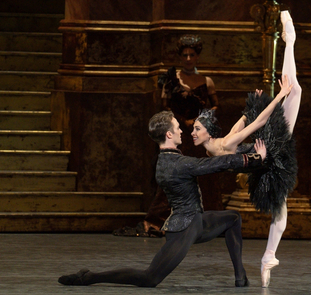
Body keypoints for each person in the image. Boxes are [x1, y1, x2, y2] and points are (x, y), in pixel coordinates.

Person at [58, 111, 267, 287]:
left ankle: (241, 278)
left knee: (233, 218)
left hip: (195, 222)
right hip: (185, 227)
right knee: (150, 278)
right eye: (177, 128)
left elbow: (216, 161)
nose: (182, 131)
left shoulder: (167, 160)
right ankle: (90, 277)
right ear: (169, 134)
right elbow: (216, 164)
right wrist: (255, 158)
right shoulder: (177, 164)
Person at [193, 10, 300, 288]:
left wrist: (249, 107)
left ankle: (268, 257)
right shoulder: (222, 145)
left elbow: (240, 127)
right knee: (294, 90)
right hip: (269, 149)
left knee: (281, 209)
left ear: (208, 133)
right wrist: (278, 95)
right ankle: (289, 40)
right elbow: (259, 123)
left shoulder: (217, 145)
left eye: (196, 128)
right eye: (195, 129)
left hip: (263, 158)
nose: (194, 131)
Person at [115, 35, 219, 237]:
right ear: (180, 57)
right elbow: (165, 107)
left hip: (200, 136)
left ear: (197, 57)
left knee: (205, 175)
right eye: (185, 55)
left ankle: (206, 222)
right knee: (174, 177)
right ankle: (160, 220)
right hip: (177, 135)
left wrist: (203, 119)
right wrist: (182, 121)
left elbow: (216, 105)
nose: (188, 59)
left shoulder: (206, 81)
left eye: (192, 55)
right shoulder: (171, 80)